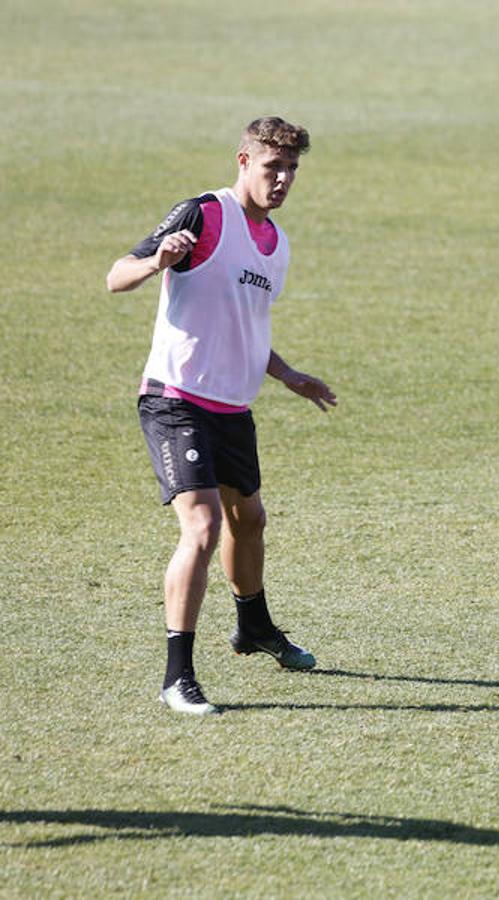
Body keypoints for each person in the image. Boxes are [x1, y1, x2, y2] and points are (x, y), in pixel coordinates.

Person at [106, 116, 336, 715]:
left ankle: (253, 628)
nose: (282, 179)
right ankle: (176, 676)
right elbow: (116, 277)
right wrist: (158, 259)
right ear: (243, 160)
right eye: (271, 167)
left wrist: (286, 374)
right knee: (203, 528)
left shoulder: (277, 244)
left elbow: (244, 322)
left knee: (250, 519)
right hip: (175, 397)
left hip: (233, 405)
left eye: (291, 170)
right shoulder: (203, 214)